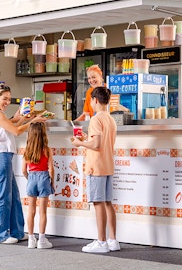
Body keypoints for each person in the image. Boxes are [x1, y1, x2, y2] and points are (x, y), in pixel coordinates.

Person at [0, 85, 47, 244]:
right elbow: (16, 131)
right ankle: (0, 235)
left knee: (14, 196)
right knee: (3, 196)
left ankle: (17, 232)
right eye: (5, 99)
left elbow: (11, 127)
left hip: (3, 156)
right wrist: (33, 121)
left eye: (9, 99)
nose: (8, 102)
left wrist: (22, 117)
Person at [71, 86, 119, 253]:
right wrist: (87, 139)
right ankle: (112, 240)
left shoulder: (96, 119)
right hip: (107, 164)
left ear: (95, 100)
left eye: (91, 100)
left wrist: (80, 143)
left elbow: (96, 145)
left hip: (96, 166)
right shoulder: (110, 119)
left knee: (98, 203)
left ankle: (101, 242)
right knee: (107, 203)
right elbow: (101, 142)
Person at [21, 122, 54, 249]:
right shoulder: (47, 149)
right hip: (44, 178)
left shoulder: (27, 150)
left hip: (32, 178)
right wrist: (52, 182)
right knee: (43, 211)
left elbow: (23, 170)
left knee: (31, 210)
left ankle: (30, 239)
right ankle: (42, 240)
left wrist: (29, 178)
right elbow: (51, 169)